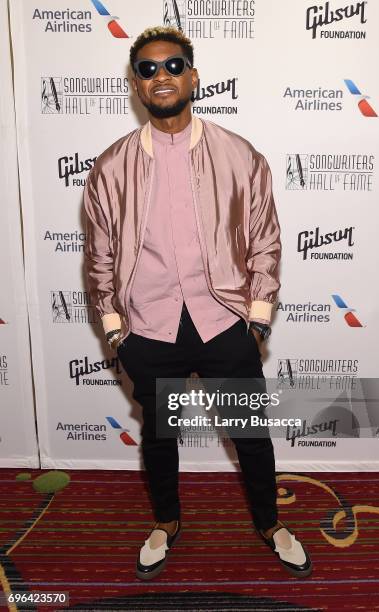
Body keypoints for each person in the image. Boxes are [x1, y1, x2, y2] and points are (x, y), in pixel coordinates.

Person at [83, 25, 312, 581]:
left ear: (193, 75)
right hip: (149, 330)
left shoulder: (238, 155)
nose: (161, 76)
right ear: (136, 86)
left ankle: (269, 523)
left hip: (222, 324)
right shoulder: (111, 167)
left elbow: (264, 239)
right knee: (160, 437)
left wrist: (256, 320)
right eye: (147, 69)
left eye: (172, 65)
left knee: (250, 435)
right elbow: (100, 255)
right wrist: (116, 331)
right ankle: (166, 522)